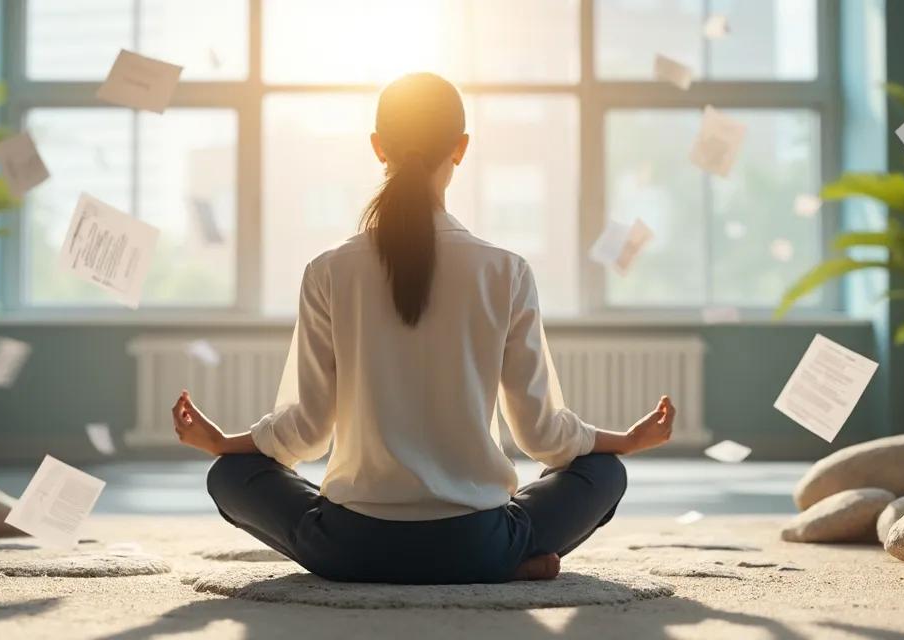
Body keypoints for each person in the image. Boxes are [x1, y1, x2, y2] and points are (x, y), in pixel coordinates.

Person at [172, 72, 675, 585]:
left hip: (349, 548)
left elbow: (306, 431)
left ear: (377, 148)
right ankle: (505, 563)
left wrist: (222, 443)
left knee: (231, 475)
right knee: (604, 471)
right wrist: (626, 441)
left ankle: (472, 561)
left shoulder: (328, 270)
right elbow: (543, 437)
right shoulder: (506, 270)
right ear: (460, 148)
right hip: (478, 544)